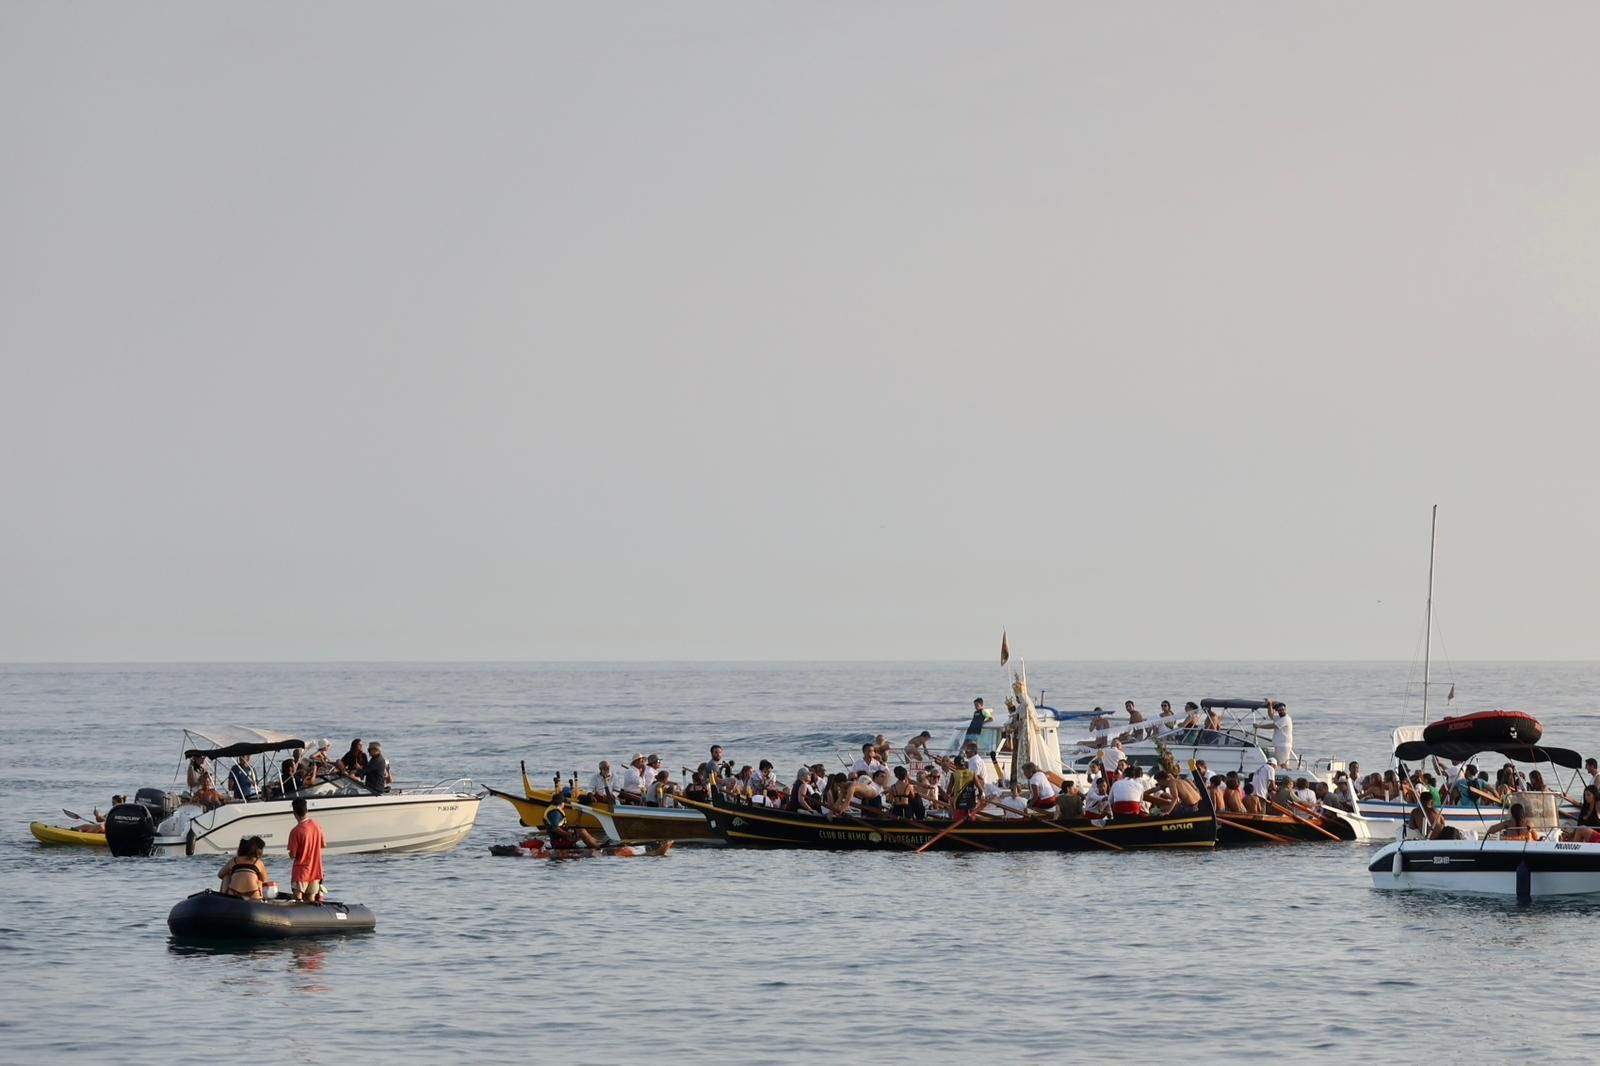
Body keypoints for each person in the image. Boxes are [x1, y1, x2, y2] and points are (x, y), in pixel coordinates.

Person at [286, 798, 326, 903]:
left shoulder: (295, 831)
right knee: (311, 899)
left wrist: (291, 853)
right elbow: (323, 844)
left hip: (301, 870)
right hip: (316, 868)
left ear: (294, 812)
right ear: (306, 810)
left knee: (298, 898)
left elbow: (293, 855)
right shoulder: (316, 825)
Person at [1259, 701, 1294, 766]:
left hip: (1283, 745)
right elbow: (1271, 715)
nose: (1281, 711)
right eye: (1280, 710)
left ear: (1285, 710)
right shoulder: (1279, 718)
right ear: (1277, 710)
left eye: (1283, 710)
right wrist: (1270, 705)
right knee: (1279, 763)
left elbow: (1273, 726)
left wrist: (1259, 726)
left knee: (1283, 764)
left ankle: (1285, 774)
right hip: (1278, 745)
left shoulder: (1286, 719)